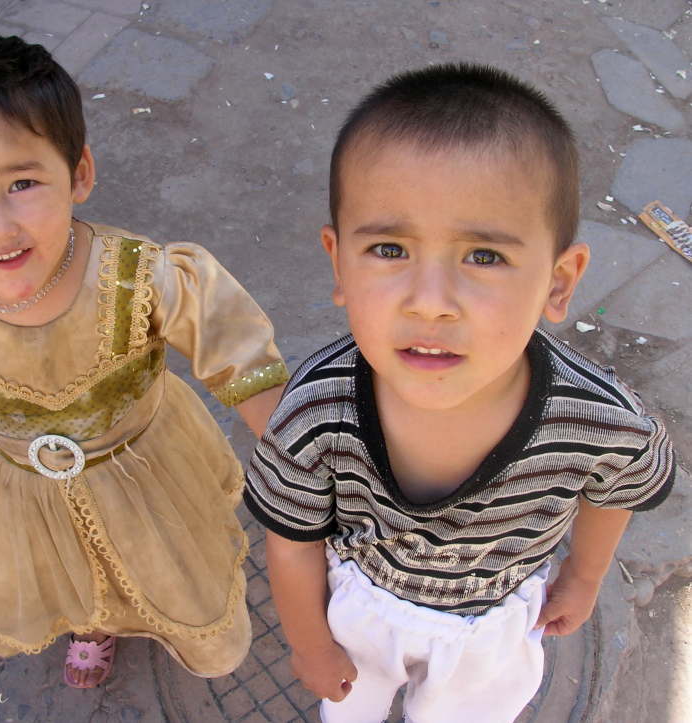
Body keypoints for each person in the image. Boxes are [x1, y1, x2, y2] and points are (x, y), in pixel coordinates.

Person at [244, 63, 675, 723]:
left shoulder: (597, 418)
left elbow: (618, 481)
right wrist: (308, 643)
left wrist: (584, 575)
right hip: (365, 604)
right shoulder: (314, 410)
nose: (431, 302)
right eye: (389, 248)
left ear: (559, 283)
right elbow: (293, 538)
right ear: (338, 262)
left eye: (484, 256)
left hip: (493, 622)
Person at [0, 35, 289, 689]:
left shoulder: (141, 277)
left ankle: (170, 619)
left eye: (22, 182)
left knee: (170, 563)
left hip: (149, 469)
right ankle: (93, 622)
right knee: (65, 565)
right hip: (23, 490)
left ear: (79, 173)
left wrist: (301, 459)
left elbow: (237, 354)